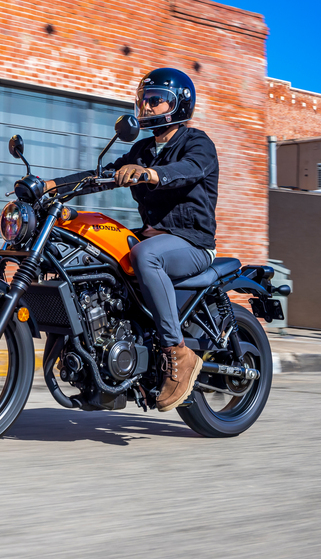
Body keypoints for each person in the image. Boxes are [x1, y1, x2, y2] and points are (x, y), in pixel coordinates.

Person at [51, 68, 219, 411]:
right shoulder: (143, 149)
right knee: (91, 254)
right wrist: (54, 186)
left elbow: (189, 169)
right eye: (144, 100)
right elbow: (102, 175)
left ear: (178, 104)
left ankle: (178, 352)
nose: (147, 106)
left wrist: (151, 173)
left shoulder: (197, 142)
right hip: (152, 238)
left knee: (146, 256)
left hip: (192, 243)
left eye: (156, 100)